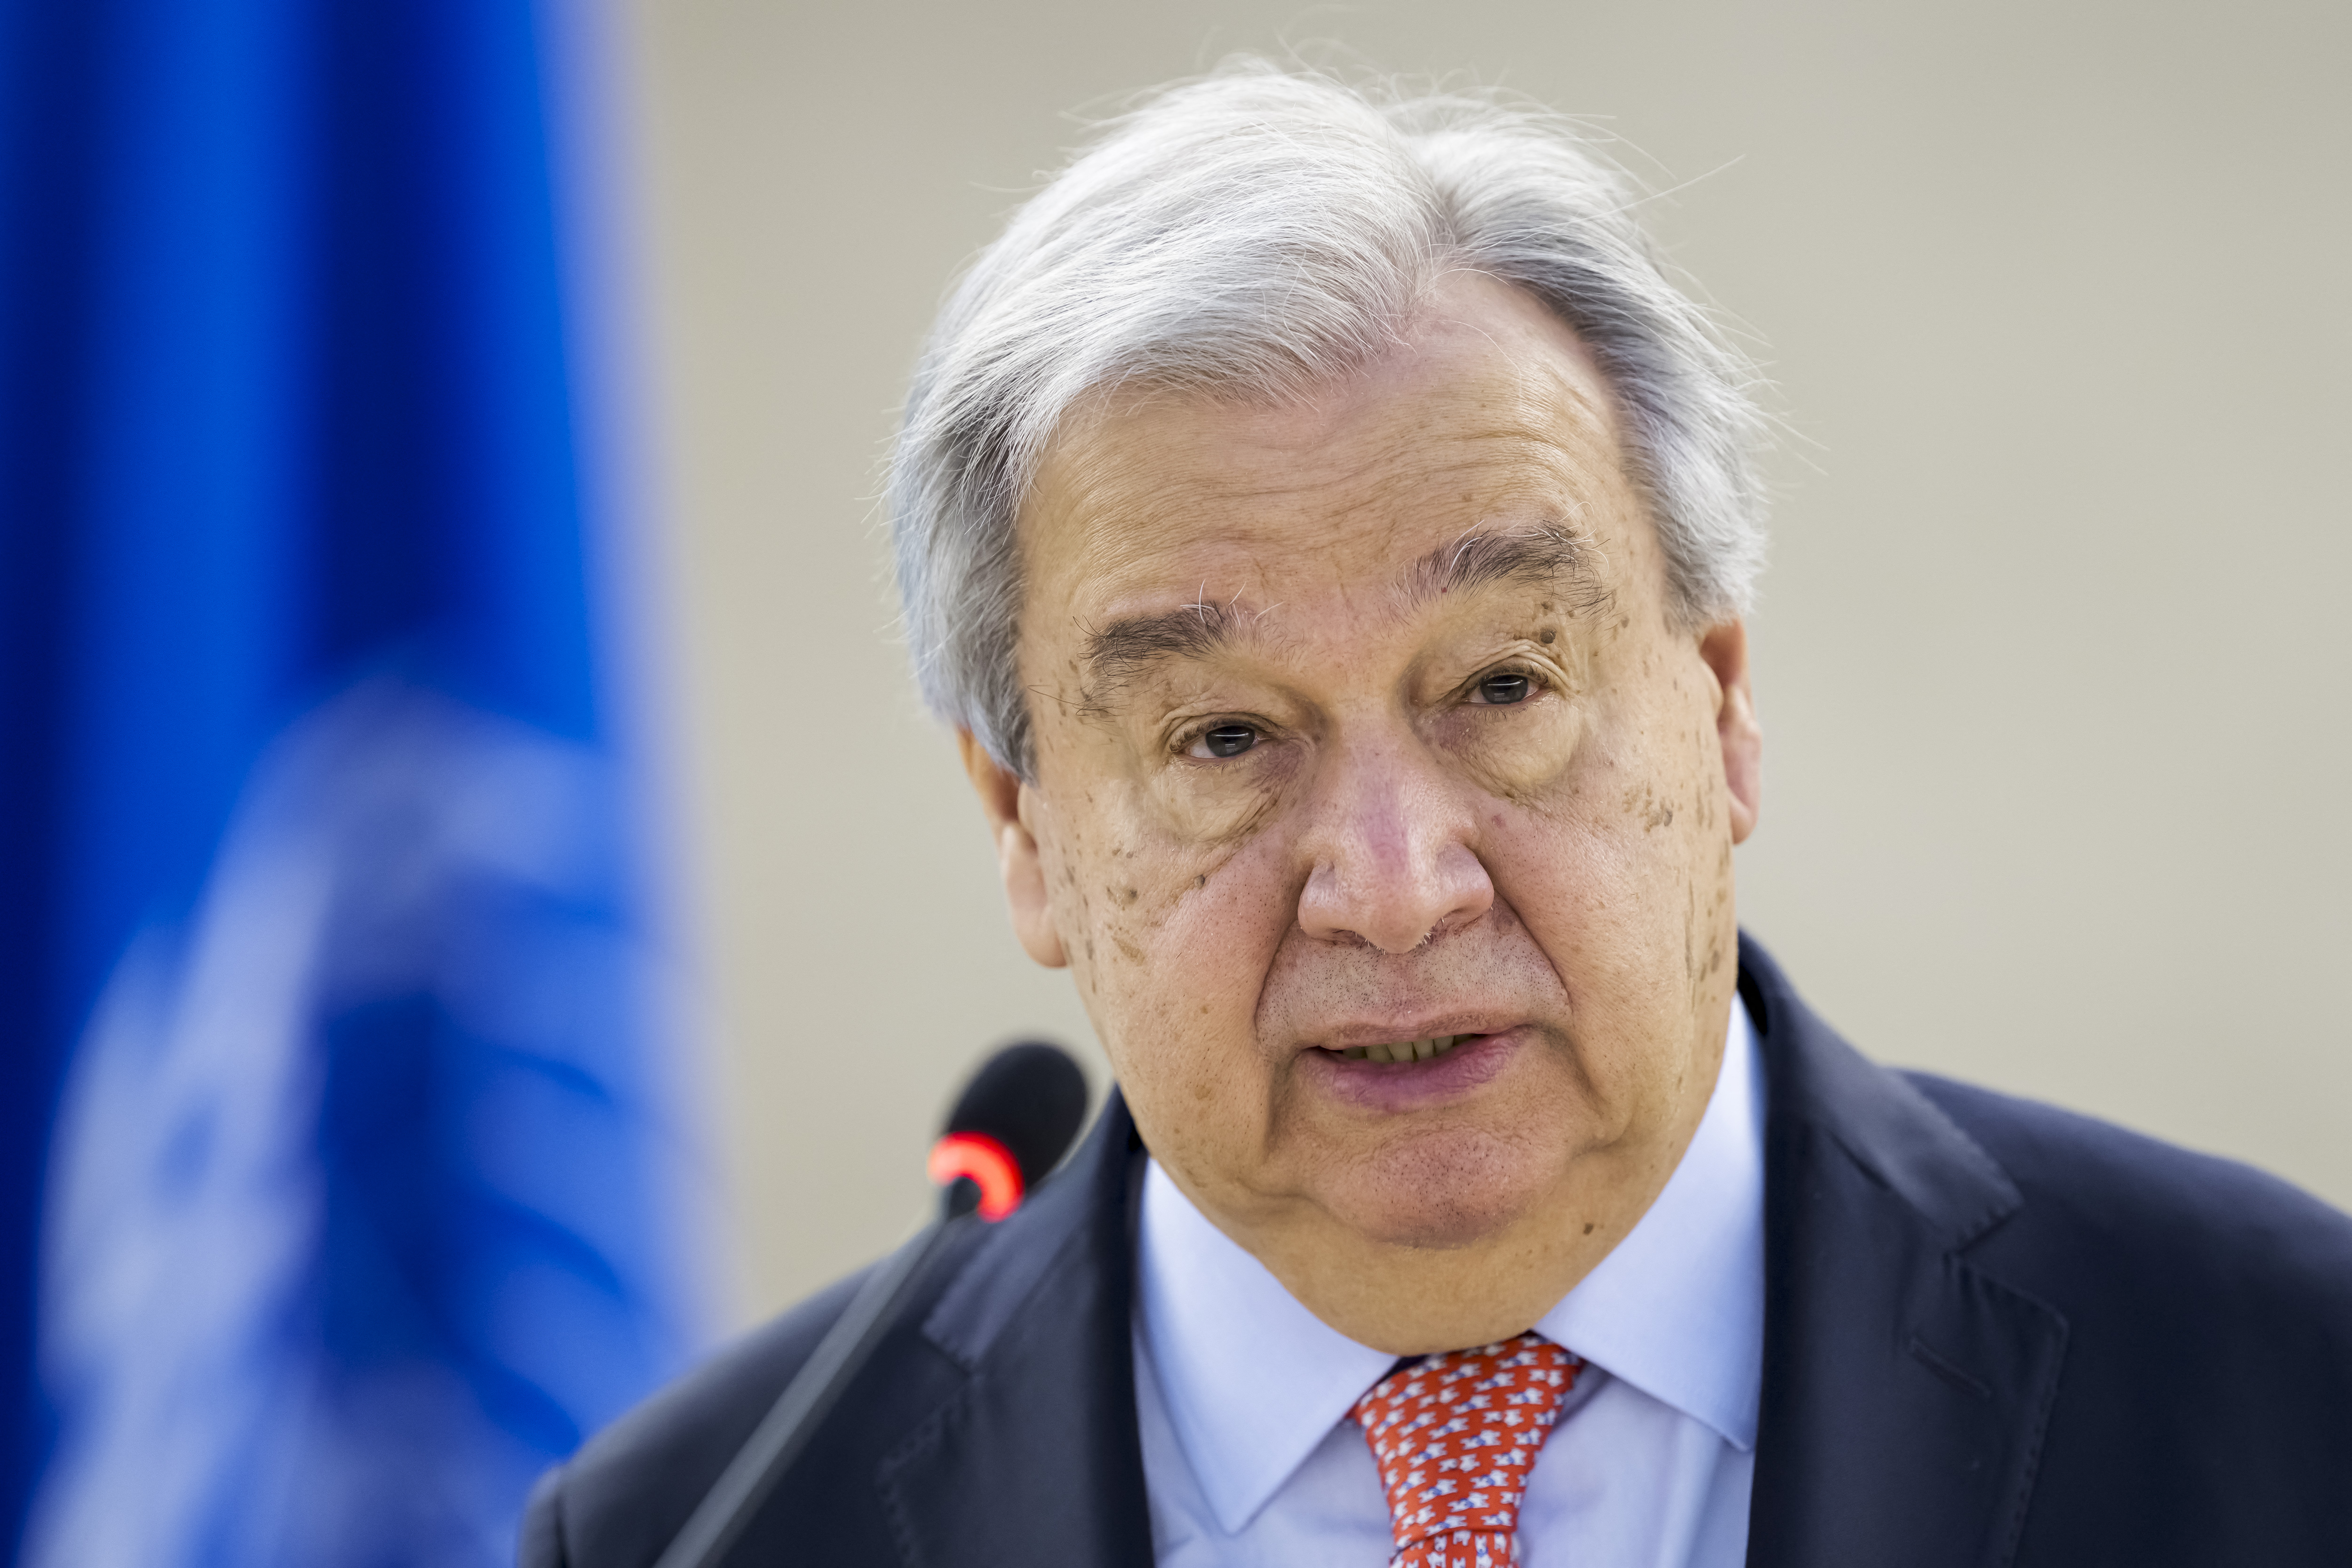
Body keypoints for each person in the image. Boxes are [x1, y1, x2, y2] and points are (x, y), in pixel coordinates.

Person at [519, 64, 2352, 1568]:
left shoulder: (2283, 1390)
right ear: (1024, 828)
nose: (1390, 894)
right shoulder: (700, 1535)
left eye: (1498, 689)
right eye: (1223, 739)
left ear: (1712, 709)